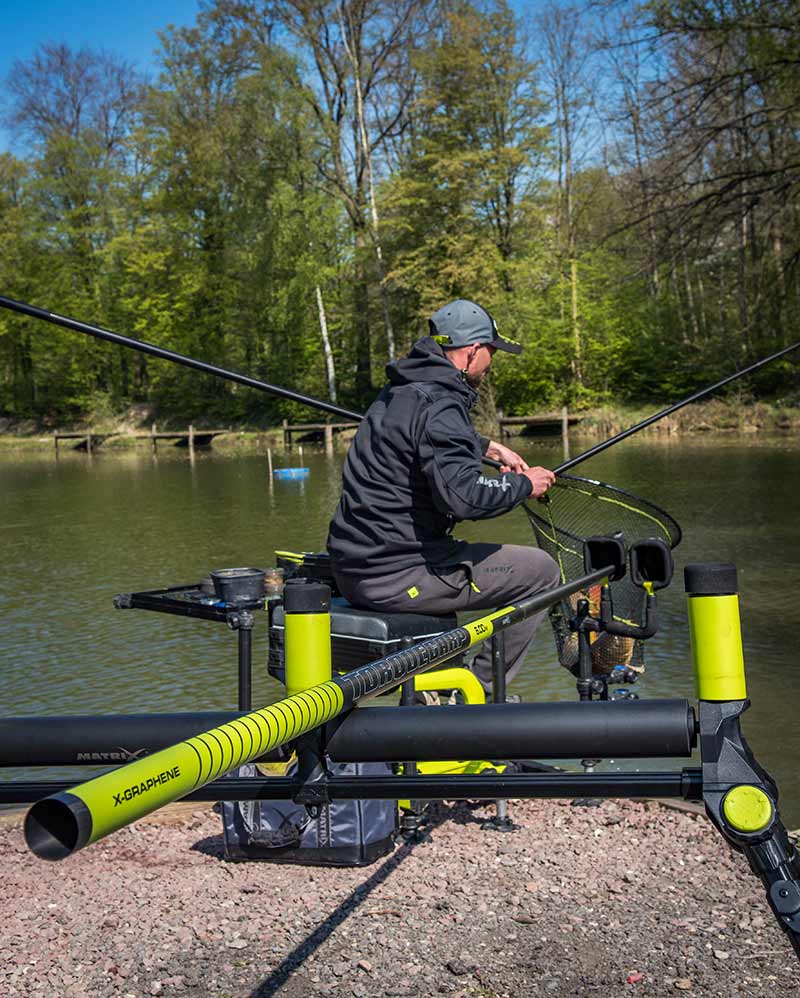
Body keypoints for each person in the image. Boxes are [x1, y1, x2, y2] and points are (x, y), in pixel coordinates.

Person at [326, 298, 560, 693]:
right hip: (397, 573)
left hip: (354, 566)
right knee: (542, 572)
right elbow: (464, 498)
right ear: (472, 351)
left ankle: (444, 686)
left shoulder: (401, 389)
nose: (492, 362)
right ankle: (474, 691)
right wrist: (525, 485)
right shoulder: (441, 403)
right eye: (491, 351)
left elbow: (419, 436)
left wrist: (486, 447)